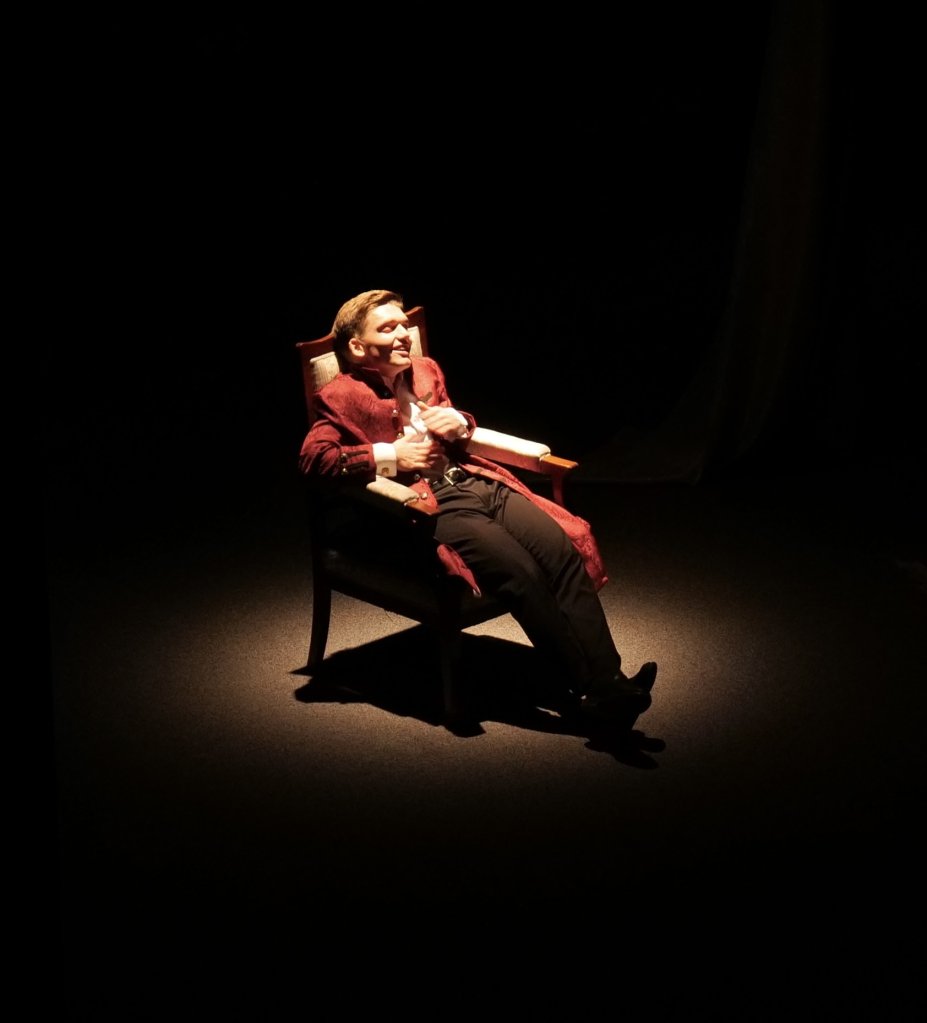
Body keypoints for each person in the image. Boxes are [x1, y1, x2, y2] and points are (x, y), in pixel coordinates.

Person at [298, 289, 657, 729]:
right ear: (357, 347)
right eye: (387, 328)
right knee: (521, 573)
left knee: (561, 552)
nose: (403, 335)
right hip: (429, 503)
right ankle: (589, 688)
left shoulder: (425, 370)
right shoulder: (340, 396)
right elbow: (314, 461)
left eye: (404, 326)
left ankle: (610, 680)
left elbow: (455, 419)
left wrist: (458, 423)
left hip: (475, 481)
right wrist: (391, 456)